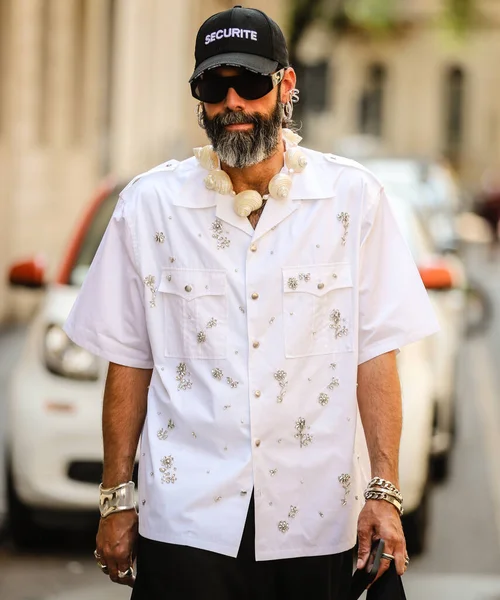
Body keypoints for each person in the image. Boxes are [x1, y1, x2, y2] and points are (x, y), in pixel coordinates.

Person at [64, 6, 439, 599]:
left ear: (286, 87)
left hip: (319, 520)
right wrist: (115, 496)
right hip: (187, 519)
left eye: (252, 83)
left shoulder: (353, 200)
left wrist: (384, 491)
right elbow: (129, 359)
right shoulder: (148, 205)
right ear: (200, 98)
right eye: (215, 86)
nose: (233, 101)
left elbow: (375, 354)